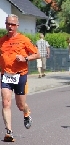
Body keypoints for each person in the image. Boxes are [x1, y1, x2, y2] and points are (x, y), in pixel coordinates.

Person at [0, 14, 40, 142]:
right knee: (6, 102)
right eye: (8, 24)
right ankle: (9, 132)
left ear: (17, 26)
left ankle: (27, 113)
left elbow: (37, 54)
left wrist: (25, 58)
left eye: (12, 24)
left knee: (20, 105)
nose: (10, 26)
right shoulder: (1, 40)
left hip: (20, 75)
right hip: (6, 75)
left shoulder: (24, 39)